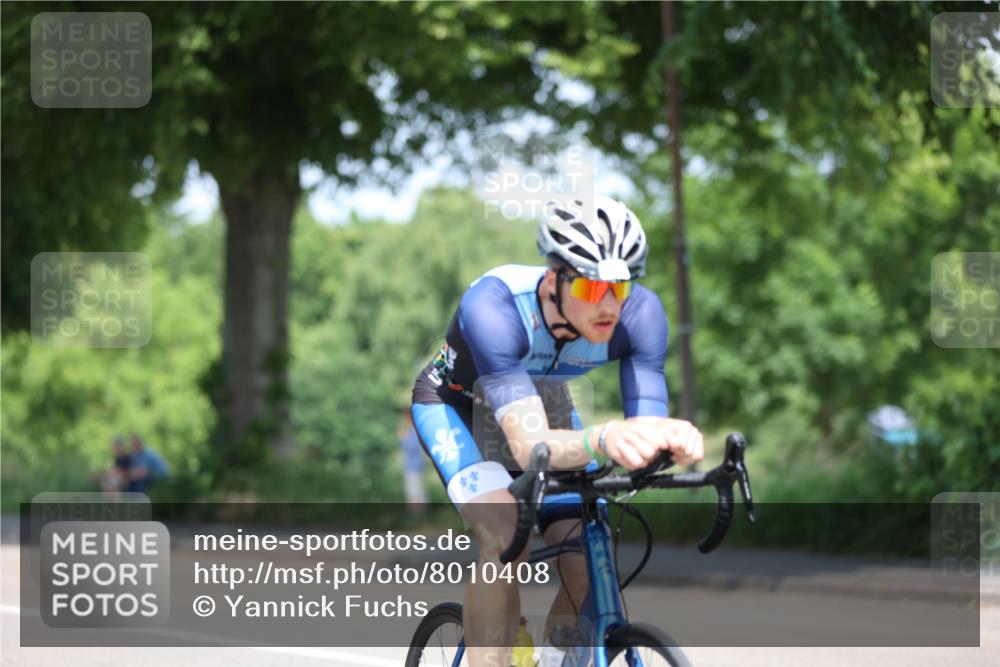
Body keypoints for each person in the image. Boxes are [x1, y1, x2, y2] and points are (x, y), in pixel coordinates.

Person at [410, 195, 705, 667]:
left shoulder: (641, 315)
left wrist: (672, 442)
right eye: (591, 289)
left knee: (590, 554)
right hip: (458, 408)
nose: (609, 306)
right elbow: (529, 448)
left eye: (620, 288)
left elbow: (645, 423)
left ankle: (556, 660)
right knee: (507, 536)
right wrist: (604, 437)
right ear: (554, 280)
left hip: (543, 406)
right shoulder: (496, 305)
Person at [399, 412, 429, 513]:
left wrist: (403, 438)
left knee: (415, 492)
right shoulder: (412, 430)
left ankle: (418, 515)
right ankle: (417, 515)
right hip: (412, 465)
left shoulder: (413, 431)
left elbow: (412, 447)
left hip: (414, 465)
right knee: (414, 491)